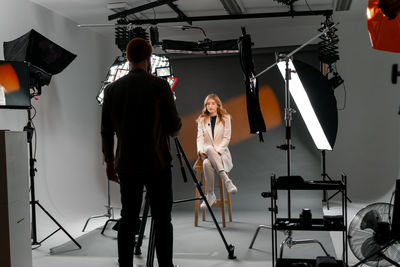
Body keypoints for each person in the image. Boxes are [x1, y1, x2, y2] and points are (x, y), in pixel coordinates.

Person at [101, 37, 181, 267]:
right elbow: (174, 127)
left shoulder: (112, 89)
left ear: (128, 58)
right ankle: (165, 265)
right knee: (162, 220)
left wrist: (109, 162)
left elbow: (106, 131)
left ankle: (124, 264)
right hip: (158, 164)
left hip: (126, 165)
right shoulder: (160, 86)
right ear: (148, 58)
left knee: (128, 218)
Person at [196, 94, 238, 210]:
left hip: (222, 154)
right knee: (208, 150)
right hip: (206, 154)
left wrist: (218, 151)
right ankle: (227, 181)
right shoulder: (202, 119)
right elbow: (200, 138)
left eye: (213, 103)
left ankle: (210, 194)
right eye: (208, 104)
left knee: (206, 162)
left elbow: (226, 138)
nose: (210, 106)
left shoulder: (225, 118)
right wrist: (200, 150)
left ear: (218, 105)